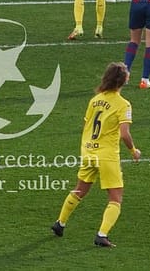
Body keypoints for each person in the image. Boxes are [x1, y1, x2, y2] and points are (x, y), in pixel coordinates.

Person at [51, 62, 141, 248]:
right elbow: (124, 133)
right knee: (115, 198)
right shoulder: (123, 104)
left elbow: (86, 126)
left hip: (89, 151)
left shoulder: (95, 100)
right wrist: (133, 150)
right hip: (107, 155)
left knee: (80, 190)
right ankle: (102, 235)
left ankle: (60, 223)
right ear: (123, 80)